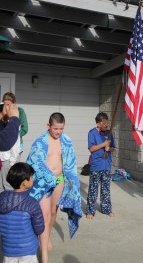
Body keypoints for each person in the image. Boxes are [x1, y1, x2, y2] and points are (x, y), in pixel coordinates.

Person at [26, 112, 82, 263]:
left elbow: (70, 161)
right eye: (56, 128)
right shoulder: (39, 142)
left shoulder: (66, 141)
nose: (58, 132)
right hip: (43, 182)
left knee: (53, 212)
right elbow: (33, 163)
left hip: (60, 180)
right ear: (48, 126)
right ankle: (44, 256)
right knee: (44, 215)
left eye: (61, 128)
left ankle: (47, 235)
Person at [0, 162, 45, 263]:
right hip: (27, 250)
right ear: (24, 182)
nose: (33, 179)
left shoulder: (1, 199)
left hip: (8, 249)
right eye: (31, 177)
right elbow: (39, 229)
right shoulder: (31, 203)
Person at [86, 112, 115, 219]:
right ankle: (90, 211)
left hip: (106, 165)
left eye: (107, 123)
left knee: (106, 189)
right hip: (96, 165)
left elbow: (113, 148)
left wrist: (109, 149)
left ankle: (106, 209)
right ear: (98, 124)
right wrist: (103, 145)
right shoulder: (92, 133)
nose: (106, 125)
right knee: (93, 188)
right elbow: (91, 148)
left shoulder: (109, 133)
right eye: (104, 123)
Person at [0, 103, 20, 192]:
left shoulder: (10, 126)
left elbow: (15, 145)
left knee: (7, 184)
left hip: (8, 159)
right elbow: (4, 141)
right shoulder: (12, 124)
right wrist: (14, 118)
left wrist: (13, 161)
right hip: (4, 159)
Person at [2, 92, 28, 156]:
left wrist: (14, 134)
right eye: (4, 104)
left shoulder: (20, 111)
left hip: (17, 143)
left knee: (15, 163)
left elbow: (25, 129)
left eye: (8, 104)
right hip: (5, 143)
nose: (6, 107)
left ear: (14, 104)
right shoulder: (1, 112)